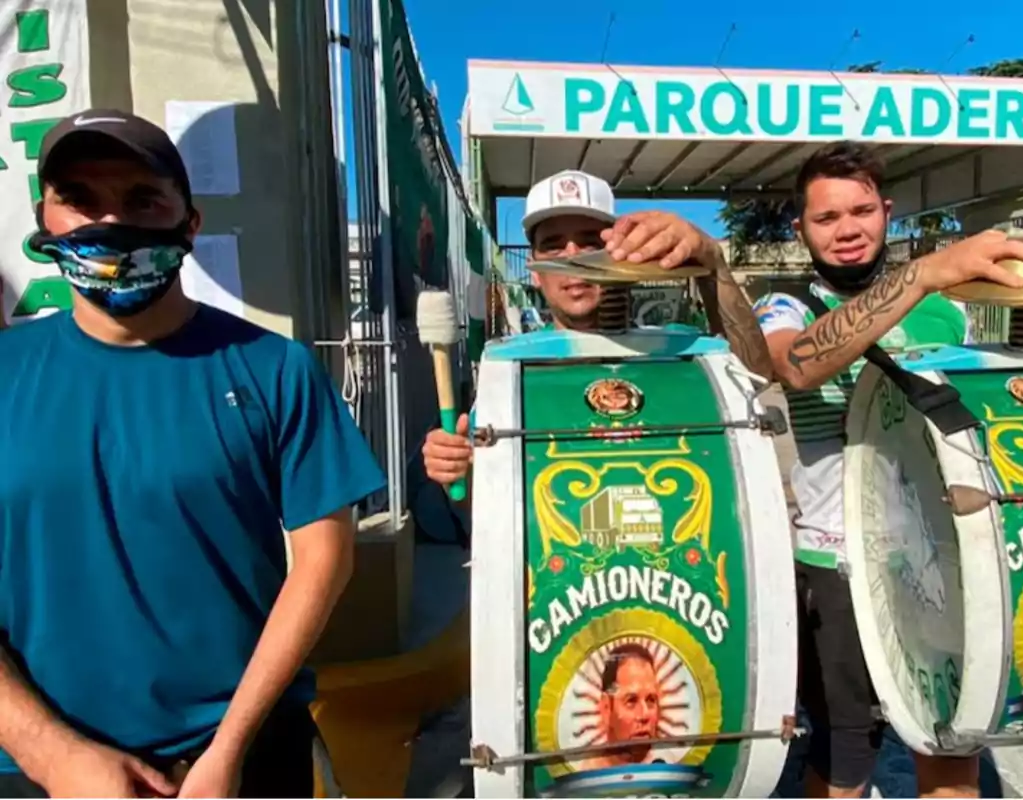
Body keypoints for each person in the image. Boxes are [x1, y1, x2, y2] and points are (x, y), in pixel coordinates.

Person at [0, 109, 386, 798]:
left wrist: (228, 749)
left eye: (142, 199)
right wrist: (53, 756)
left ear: (189, 222)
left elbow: (324, 562)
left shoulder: (275, 369)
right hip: (37, 769)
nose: (111, 223)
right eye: (80, 199)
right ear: (43, 215)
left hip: (240, 761)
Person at [754, 141, 1023, 799]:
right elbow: (797, 365)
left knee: (953, 745)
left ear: (886, 211)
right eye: (826, 217)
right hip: (834, 566)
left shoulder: (949, 311)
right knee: (845, 755)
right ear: (801, 228)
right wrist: (924, 272)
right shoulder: (783, 306)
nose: (847, 230)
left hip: (941, 558)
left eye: (862, 211)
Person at [423, 169, 769, 491]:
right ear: (535, 271)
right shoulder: (510, 375)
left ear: (619, 254)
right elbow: (486, 516)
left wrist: (714, 264)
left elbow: (756, 376)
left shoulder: (678, 352)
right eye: (554, 244)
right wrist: (457, 471)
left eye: (591, 242)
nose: (574, 256)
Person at [580, 643, 662, 771]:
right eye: (631, 701)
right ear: (606, 708)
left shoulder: (671, 769)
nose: (644, 715)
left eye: (651, 700)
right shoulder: (584, 776)